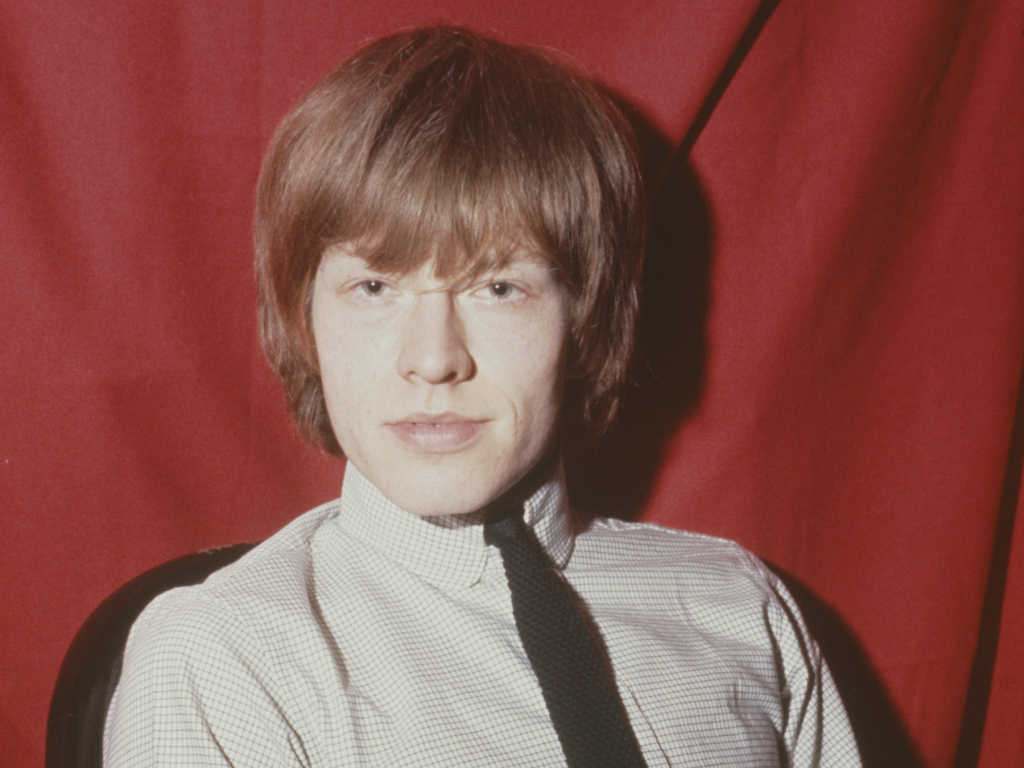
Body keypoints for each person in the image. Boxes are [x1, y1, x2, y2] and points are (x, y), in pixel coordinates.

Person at [104, 25, 861, 767]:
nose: (435, 358)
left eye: (498, 288)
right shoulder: (224, 663)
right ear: (306, 322)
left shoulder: (741, 607)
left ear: (583, 318)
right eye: (374, 287)